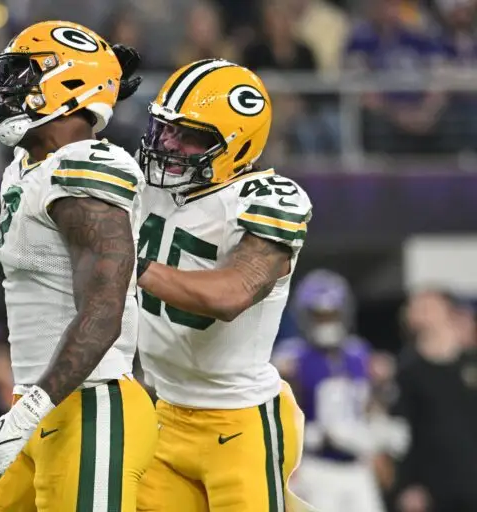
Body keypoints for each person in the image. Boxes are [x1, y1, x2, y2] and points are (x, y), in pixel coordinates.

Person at [0, 20, 156, 511]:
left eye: (24, 74)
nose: (7, 87)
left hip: (90, 407)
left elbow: (105, 307)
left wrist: (29, 411)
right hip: (37, 406)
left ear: (70, 83)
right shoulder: (28, 172)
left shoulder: (86, 166)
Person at [132, 59, 314, 512]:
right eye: (165, 128)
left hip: (240, 421)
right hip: (165, 411)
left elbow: (231, 295)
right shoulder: (148, 183)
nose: (168, 143)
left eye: (189, 135)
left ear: (236, 145)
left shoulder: (265, 199)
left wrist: (128, 266)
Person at [272, 270, 386, 512]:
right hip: (315, 464)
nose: (326, 322)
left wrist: (374, 434)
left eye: (331, 314)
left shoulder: (359, 354)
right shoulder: (291, 357)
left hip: (357, 464)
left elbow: (369, 405)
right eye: (319, 316)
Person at [393, 289, 477, 512]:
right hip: (431, 489)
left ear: (448, 312)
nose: (421, 313)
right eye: (416, 307)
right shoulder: (407, 371)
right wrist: (407, 484)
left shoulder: (470, 364)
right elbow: (401, 435)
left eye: (429, 307)